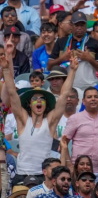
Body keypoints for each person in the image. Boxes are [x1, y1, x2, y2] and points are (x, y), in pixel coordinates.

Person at [2, 49, 75, 180]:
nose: (39, 101)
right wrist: (6, 70)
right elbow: (12, 93)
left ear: (46, 104)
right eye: (35, 99)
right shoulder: (23, 120)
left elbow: (64, 95)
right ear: (29, 104)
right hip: (23, 173)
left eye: (42, 99)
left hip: (45, 175)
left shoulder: (51, 121)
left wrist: (73, 71)